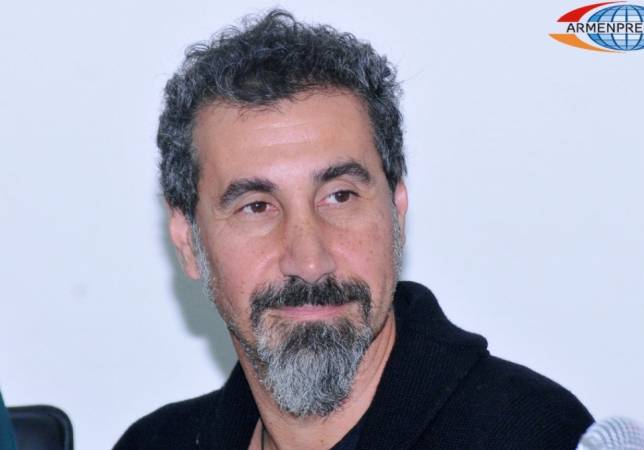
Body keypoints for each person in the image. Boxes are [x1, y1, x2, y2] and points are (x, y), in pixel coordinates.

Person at [115, 9, 593, 450]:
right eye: (256, 207)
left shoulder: (534, 435)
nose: (309, 261)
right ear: (188, 241)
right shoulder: (156, 444)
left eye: (339, 196)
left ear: (397, 211)